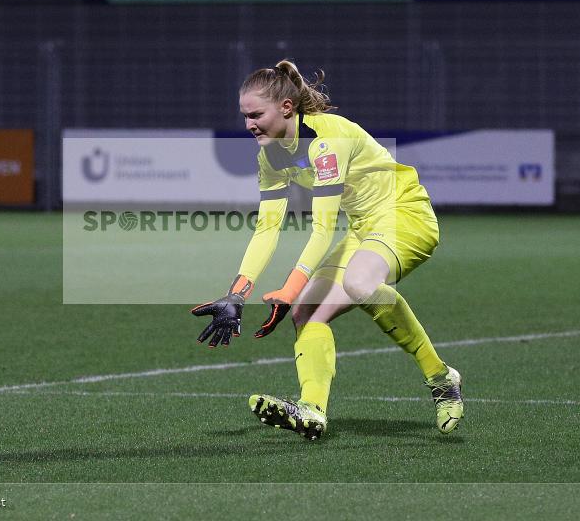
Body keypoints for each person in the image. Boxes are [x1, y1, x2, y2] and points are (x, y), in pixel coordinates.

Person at [191, 59, 463, 440]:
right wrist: (238, 293)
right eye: (245, 116)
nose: (249, 124)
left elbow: (321, 230)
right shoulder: (269, 155)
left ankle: (441, 377)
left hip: (405, 214)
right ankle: (312, 411)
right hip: (363, 228)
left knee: (359, 282)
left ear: (286, 108)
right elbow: (268, 227)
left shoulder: (325, 140)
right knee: (305, 313)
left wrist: (287, 287)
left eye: (256, 114)